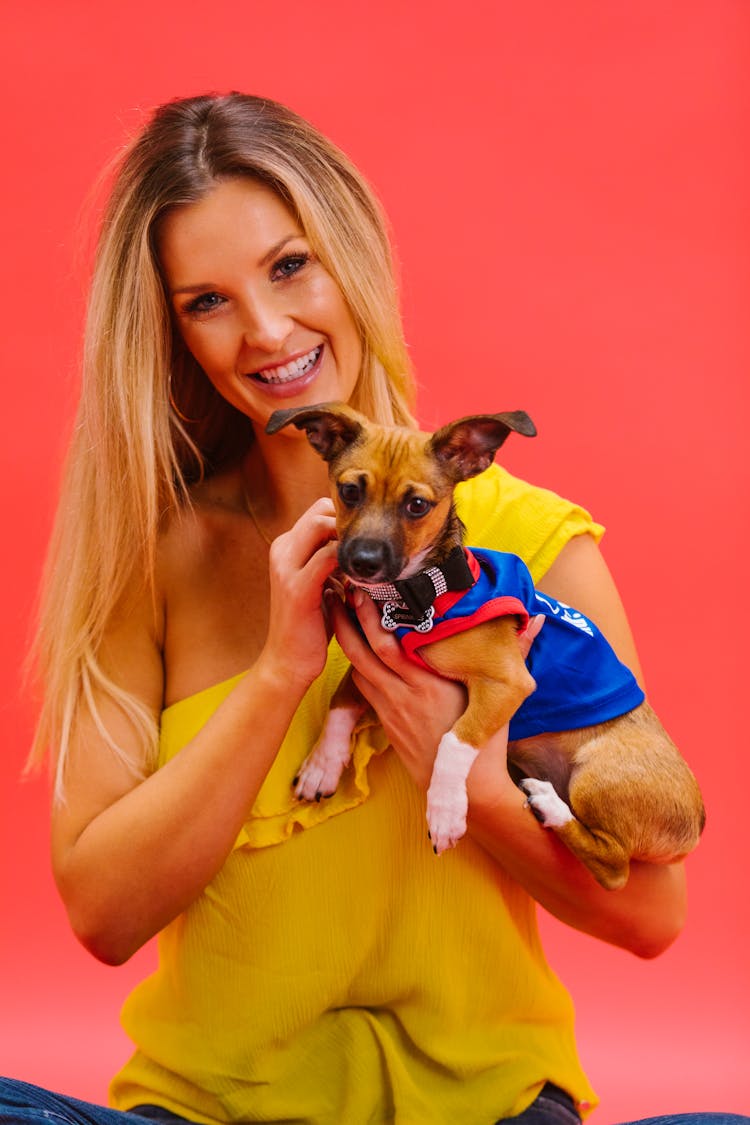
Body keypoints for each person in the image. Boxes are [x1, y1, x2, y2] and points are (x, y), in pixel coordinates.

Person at [3, 93, 743, 1125]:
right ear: (170, 333)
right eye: (205, 301)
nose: (266, 331)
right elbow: (102, 916)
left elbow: (654, 916)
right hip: (214, 1113)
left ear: (351, 258)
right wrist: (280, 675)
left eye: (289, 265)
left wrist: (468, 767)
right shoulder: (152, 554)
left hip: (484, 1110)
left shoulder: (528, 550)